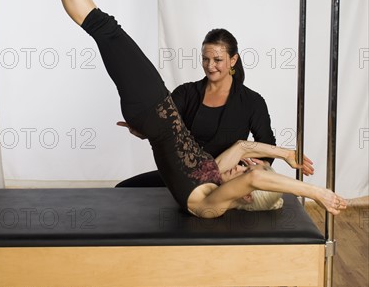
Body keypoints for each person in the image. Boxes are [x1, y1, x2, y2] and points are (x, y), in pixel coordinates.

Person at [27, 0, 347, 218]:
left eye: (243, 178)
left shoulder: (208, 203)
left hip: (153, 111)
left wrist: (317, 192)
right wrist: (287, 154)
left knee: (103, 27)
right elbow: (244, 148)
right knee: (102, 27)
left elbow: (254, 175)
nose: (241, 169)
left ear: (246, 196)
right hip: (156, 109)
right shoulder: (213, 172)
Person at [116, 26, 276, 187]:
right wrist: (143, 130)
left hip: (223, 181)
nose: (210, 65)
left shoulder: (252, 101)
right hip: (183, 175)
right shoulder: (186, 93)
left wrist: (253, 170)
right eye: (205, 59)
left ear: (233, 60)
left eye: (217, 60)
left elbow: (267, 143)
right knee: (123, 189)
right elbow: (163, 125)